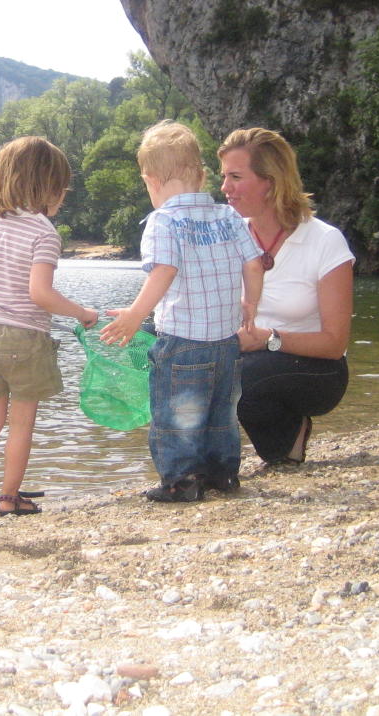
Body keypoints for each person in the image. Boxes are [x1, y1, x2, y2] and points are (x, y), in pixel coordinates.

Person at [101, 121, 264, 502]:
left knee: (178, 415)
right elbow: (255, 265)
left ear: (151, 180)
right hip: (226, 341)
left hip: (183, 341)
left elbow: (164, 271)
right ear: (202, 175)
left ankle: (182, 481)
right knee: (222, 411)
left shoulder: (163, 221)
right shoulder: (228, 217)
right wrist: (250, 304)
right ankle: (223, 475)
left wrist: (134, 315)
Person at [0, 136, 98, 519]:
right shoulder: (44, 233)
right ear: (49, 188)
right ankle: (9, 497)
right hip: (25, 339)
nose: (63, 196)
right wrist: (82, 312)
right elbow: (41, 294)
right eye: (62, 187)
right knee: (21, 423)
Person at [217, 127, 355, 467]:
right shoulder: (225, 237)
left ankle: (290, 436)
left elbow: (334, 343)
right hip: (247, 357)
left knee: (241, 377)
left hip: (319, 371)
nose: (225, 188)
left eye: (235, 177)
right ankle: (197, 468)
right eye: (223, 177)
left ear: (271, 181)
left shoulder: (325, 241)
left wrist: (268, 339)